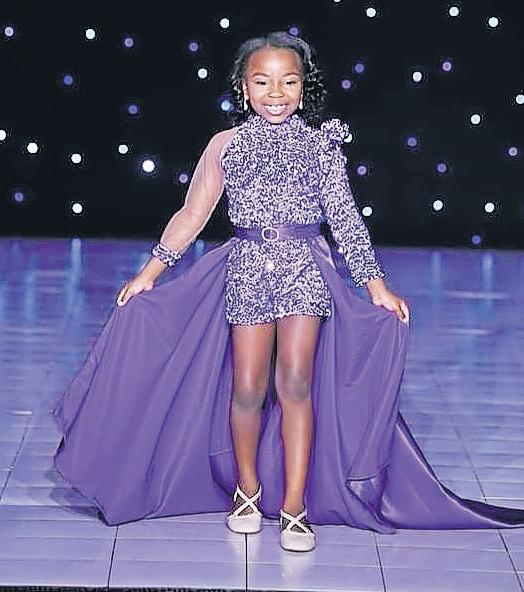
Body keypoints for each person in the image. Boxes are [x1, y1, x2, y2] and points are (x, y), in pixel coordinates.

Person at [53, 31, 524, 554]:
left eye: (288, 81)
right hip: (249, 269)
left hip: (304, 269)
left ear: (304, 86)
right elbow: (193, 212)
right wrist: (151, 271)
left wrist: (376, 286)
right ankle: (247, 490)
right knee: (248, 388)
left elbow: (345, 219)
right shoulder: (226, 145)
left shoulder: (321, 145)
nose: (276, 92)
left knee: (296, 383)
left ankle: (294, 506)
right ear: (243, 88)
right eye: (262, 81)